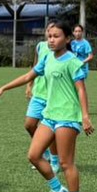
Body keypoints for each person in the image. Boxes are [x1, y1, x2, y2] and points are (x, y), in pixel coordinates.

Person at [0, 20, 94, 192]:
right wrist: (4, 87)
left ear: (67, 38)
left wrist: (85, 117)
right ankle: (57, 189)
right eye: (49, 36)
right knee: (34, 155)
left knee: (66, 163)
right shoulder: (47, 58)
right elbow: (29, 75)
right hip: (50, 115)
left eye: (56, 36)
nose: (51, 40)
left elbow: (81, 90)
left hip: (67, 116)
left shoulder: (73, 61)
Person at [24, 34, 61, 175]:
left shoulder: (62, 50)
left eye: (55, 34)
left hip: (52, 95)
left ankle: (55, 161)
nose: (51, 37)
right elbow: (35, 66)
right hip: (38, 93)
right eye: (49, 33)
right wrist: (29, 85)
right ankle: (43, 153)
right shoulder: (40, 46)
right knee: (29, 125)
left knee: (50, 129)